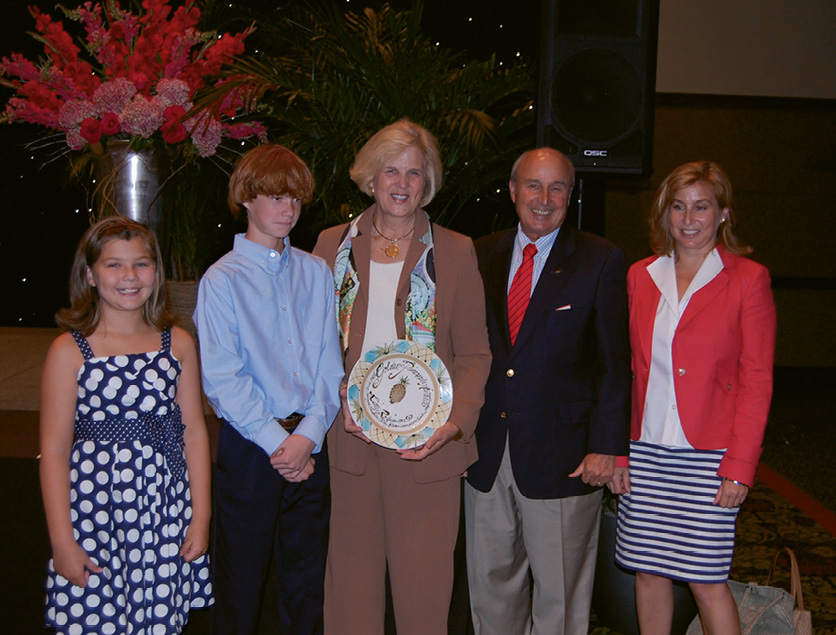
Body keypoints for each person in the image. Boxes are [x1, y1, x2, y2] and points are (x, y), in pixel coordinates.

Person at [313, 119, 491, 635]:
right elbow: (317, 345)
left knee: (424, 595)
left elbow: (475, 354)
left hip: (427, 449)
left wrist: (452, 425)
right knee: (350, 593)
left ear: (427, 182)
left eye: (415, 172)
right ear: (371, 177)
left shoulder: (455, 250)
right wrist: (331, 403)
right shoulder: (330, 245)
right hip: (351, 445)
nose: (402, 182)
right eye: (391, 169)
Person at [465, 147, 631, 634]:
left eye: (556, 187)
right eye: (533, 185)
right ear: (513, 191)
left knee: (560, 598)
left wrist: (606, 446)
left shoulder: (600, 260)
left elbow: (614, 365)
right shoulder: (478, 254)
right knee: (490, 586)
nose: (544, 198)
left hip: (566, 458)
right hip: (487, 455)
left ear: (569, 195)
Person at [611, 161, 777, 634]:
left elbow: (757, 381)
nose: (688, 219)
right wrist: (621, 451)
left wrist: (740, 466)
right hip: (646, 450)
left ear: (723, 213)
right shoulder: (640, 275)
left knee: (706, 580)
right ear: (664, 214)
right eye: (678, 207)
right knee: (648, 571)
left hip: (710, 457)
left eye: (701, 207)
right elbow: (628, 373)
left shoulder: (748, 279)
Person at [194, 144, 344, 634]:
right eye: (275, 197)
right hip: (252, 447)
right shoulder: (222, 279)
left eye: (295, 200)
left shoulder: (316, 271)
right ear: (247, 199)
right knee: (240, 581)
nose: (287, 210)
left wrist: (309, 436)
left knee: (306, 583)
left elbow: (329, 362)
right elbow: (221, 377)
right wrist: (278, 443)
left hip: (309, 443)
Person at [40, 217, 213, 634]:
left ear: (156, 271)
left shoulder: (178, 343)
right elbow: (55, 449)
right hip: (94, 513)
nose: (130, 276)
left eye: (141, 264)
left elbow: (193, 432)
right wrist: (63, 541)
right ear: (89, 274)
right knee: (96, 618)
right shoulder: (69, 351)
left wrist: (201, 516)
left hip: (163, 510)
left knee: (158, 616)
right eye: (114, 265)